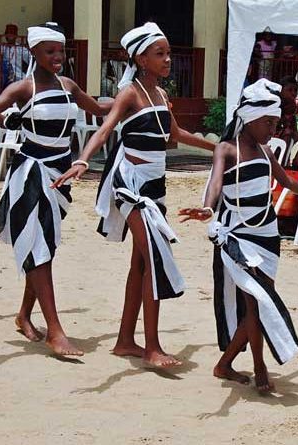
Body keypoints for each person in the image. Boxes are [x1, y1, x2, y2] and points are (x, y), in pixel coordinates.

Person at [0, 22, 112, 356]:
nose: (57, 57)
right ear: (34, 52)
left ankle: (24, 315)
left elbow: (100, 110)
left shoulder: (69, 85)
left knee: (44, 248)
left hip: (61, 177)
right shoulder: (22, 88)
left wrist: (135, 101)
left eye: (60, 51)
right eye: (50, 51)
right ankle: (55, 331)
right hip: (31, 175)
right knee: (39, 247)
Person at [52, 22, 215, 367]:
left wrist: (220, 149)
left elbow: (177, 135)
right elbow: (104, 130)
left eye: (169, 53)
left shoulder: (161, 95)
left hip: (156, 187)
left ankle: (125, 340)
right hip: (130, 186)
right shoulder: (130, 93)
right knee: (155, 257)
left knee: (141, 263)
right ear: (141, 59)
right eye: (160, 54)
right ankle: (153, 347)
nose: (167, 59)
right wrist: (82, 160)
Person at [178, 79, 298, 391]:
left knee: (260, 300)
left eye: (276, 123)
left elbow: (286, 182)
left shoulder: (267, 152)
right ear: (249, 118)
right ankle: (259, 366)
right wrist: (207, 208)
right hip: (238, 237)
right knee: (256, 301)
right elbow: (216, 183)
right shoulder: (226, 149)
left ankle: (224, 364)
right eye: (268, 123)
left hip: (267, 236)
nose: (273, 129)